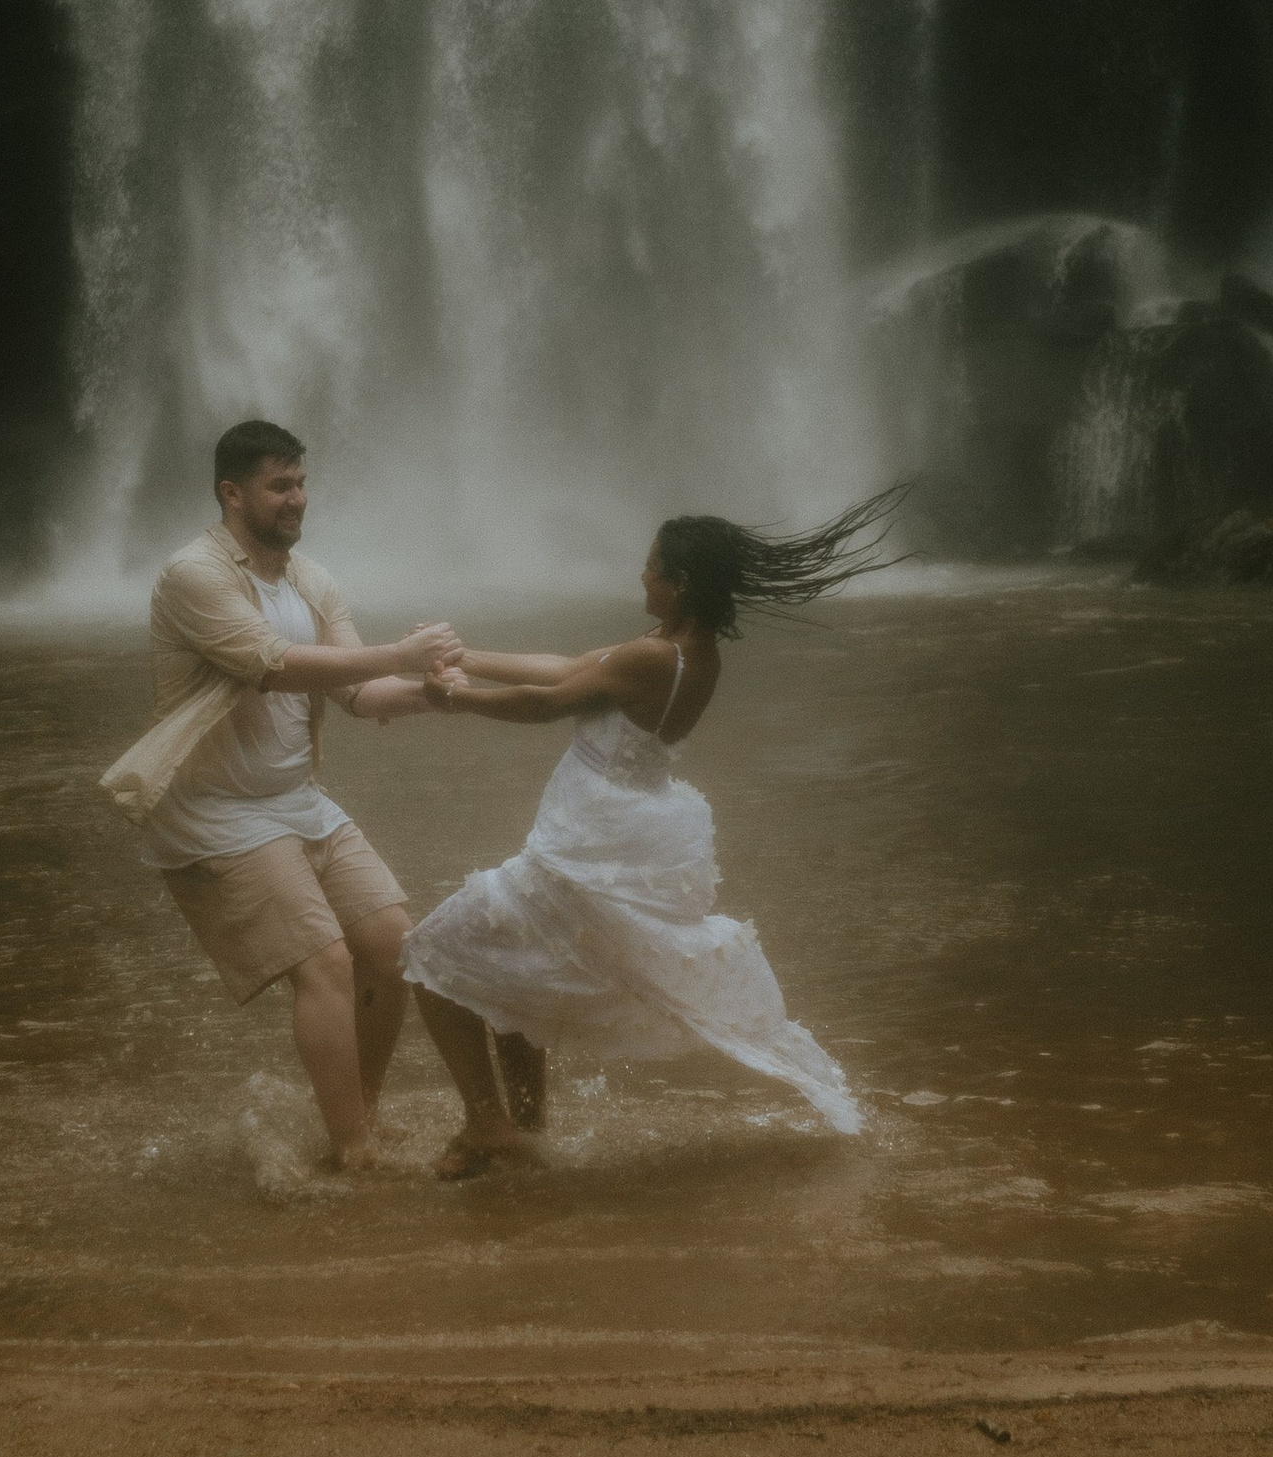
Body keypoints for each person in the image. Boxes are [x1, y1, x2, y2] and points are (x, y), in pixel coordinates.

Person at [401, 489, 910, 1179]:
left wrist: (452, 699)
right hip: (613, 836)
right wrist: (472, 658)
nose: (641, 576)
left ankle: (488, 1125)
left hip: (584, 844)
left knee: (431, 958)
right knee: (509, 969)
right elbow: (566, 666)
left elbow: (549, 702)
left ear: (680, 582)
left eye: (651, 567)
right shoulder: (682, 652)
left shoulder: (653, 658)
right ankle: (525, 1128)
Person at [99, 419, 463, 1167]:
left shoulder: (310, 579)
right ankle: (356, 1152)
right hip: (217, 811)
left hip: (295, 799)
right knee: (325, 963)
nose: (297, 500)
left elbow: (358, 691)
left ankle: (359, 1119)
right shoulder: (193, 575)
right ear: (232, 494)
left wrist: (436, 691)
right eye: (279, 486)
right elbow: (270, 665)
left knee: (398, 948)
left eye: (300, 483)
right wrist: (399, 651)